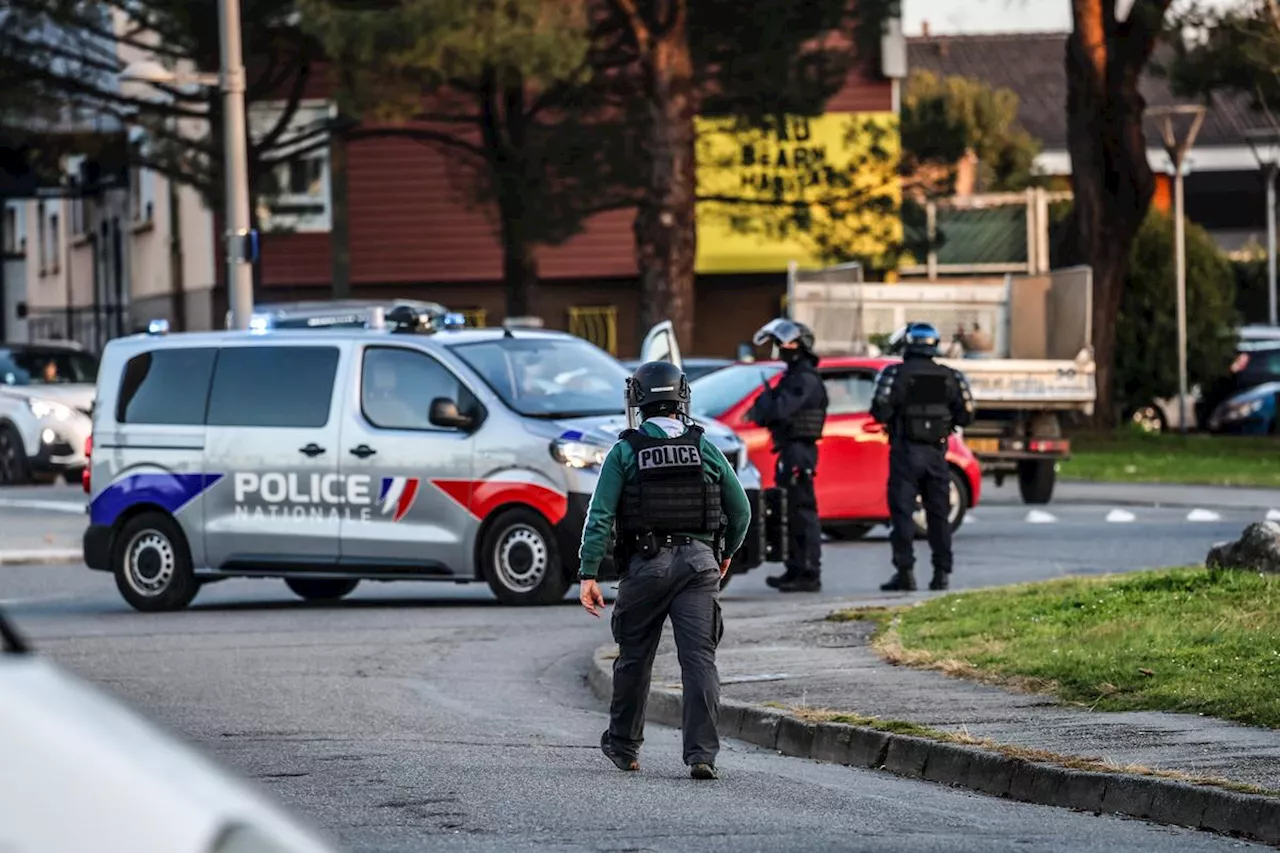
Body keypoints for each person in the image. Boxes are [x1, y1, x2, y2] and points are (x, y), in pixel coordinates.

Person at [578, 360, 752, 780]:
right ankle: (701, 755)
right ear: (682, 397)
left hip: (647, 565)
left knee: (635, 659)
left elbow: (600, 516)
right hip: (699, 564)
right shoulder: (703, 446)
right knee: (699, 661)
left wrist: (587, 573)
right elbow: (741, 509)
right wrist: (723, 551)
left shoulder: (625, 450)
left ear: (637, 400)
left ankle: (624, 748)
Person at [871, 322, 975, 592]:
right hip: (937, 454)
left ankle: (905, 572)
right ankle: (941, 573)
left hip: (905, 452)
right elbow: (967, 414)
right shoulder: (951, 376)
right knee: (938, 515)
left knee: (902, 514)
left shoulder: (894, 373)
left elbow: (879, 410)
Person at [746, 318, 828, 593]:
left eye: (788, 343)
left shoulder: (804, 378)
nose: (782, 347)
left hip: (799, 451)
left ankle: (808, 573)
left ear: (801, 345)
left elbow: (777, 410)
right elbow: (762, 412)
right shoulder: (793, 376)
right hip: (789, 449)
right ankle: (794, 569)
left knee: (802, 511)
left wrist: (767, 405)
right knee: (789, 511)